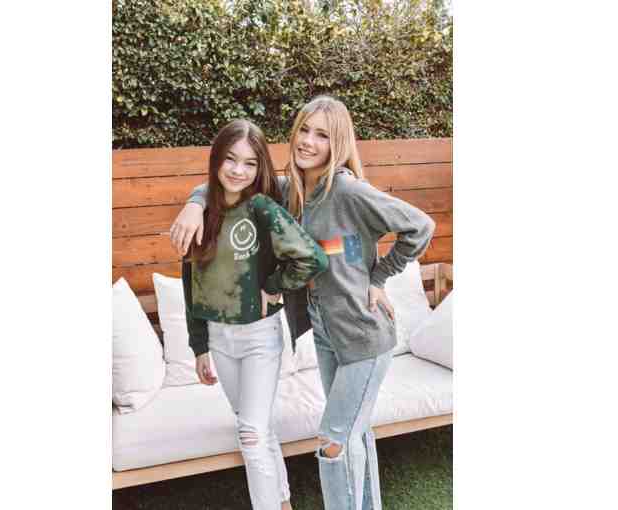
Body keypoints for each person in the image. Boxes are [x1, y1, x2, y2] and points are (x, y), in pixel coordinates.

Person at [169, 97, 435, 510]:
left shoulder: (347, 190)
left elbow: (420, 227)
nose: (308, 141)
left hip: (363, 333)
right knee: (355, 434)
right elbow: (233, 181)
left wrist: (379, 277)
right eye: (304, 130)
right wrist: (194, 201)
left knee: (333, 440)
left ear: (338, 143)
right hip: (326, 333)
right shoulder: (290, 190)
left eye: (322, 135)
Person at [178, 119, 328, 510]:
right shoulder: (200, 214)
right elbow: (190, 283)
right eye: (230, 159)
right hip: (218, 338)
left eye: (249, 163)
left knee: (250, 433)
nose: (237, 171)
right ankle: (282, 501)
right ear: (216, 160)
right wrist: (199, 346)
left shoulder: (262, 208)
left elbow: (313, 257)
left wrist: (274, 285)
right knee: (256, 426)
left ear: (260, 167)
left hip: (260, 336)